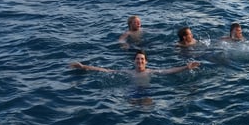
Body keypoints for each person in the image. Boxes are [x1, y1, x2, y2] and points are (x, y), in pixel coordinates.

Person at [70, 50, 199, 75]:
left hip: (146, 92)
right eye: (137, 59)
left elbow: (168, 71)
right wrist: (83, 67)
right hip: (132, 92)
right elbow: (106, 70)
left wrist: (186, 67)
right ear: (134, 61)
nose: (140, 61)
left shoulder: (151, 71)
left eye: (142, 59)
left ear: (146, 62)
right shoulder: (128, 72)